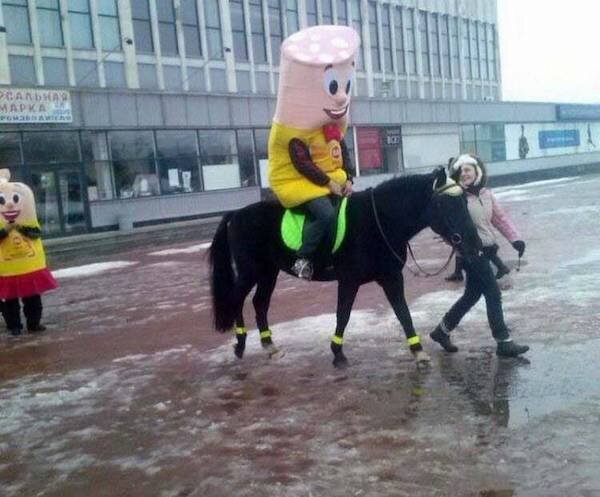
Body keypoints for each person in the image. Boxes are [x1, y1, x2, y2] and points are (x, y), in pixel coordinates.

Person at [268, 25, 360, 280]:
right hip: (298, 183)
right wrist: (329, 183)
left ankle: (341, 256)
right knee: (325, 213)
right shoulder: (296, 135)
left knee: (354, 212)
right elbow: (303, 164)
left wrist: (349, 178)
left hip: (333, 181)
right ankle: (304, 258)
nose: (341, 98)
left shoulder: (329, 127)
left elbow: (341, 151)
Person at [430, 154, 529, 358]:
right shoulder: (455, 197)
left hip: (488, 250)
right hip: (472, 254)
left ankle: (441, 331)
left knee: (471, 295)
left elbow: (500, 219)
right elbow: (446, 227)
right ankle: (503, 341)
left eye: (468, 169)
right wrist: (461, 247)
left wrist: (515, 239)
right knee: (493, 293)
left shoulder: (486, 194)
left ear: (477, 171)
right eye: (461, 171)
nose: (464, 173)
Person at [0, 169, 58, 336]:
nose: (10, 205)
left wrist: (20, 228)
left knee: (32, 297)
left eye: (15, 200)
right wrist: (5, 231)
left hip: (28, 266)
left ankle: (33, 323)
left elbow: (35, 233)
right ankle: (14, 326)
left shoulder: (28, 220)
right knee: (10, 300)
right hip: (7, 269)